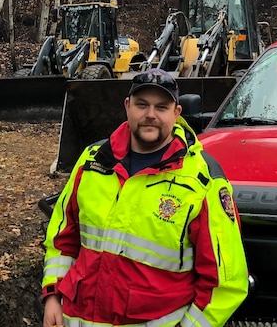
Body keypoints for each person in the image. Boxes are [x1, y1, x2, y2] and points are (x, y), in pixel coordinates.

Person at [41, 68, 249, 327]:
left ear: (176, 113)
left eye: (161, 107)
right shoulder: (92, 161)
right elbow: (63, 238)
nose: (150, 115)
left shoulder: (202, 180)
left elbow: (225, 284)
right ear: (127, 106)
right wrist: (52, 296)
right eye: (142, 105)